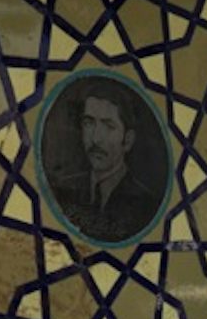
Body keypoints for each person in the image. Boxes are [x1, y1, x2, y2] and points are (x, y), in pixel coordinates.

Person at [49, 83, 160, 242]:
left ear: (127, 140)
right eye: (89, 123)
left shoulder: (145, 204)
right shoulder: (63, 190)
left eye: (109, 126)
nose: (95, 139)